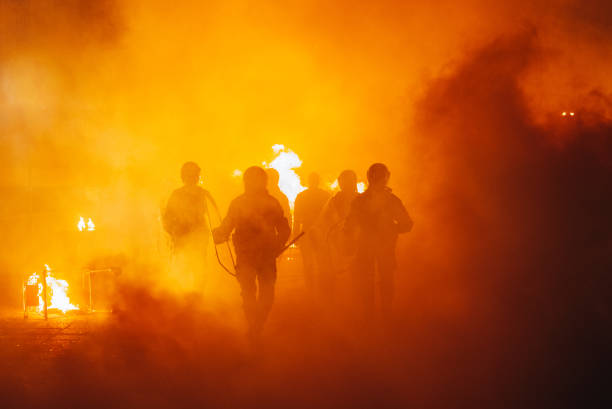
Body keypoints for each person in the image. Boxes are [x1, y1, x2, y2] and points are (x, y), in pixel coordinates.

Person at [213, 166, 290, 339]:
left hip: (267, 255)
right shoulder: (238, 203)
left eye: (258, 179)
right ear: (246, 182)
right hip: (246, 255)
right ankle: (254, 328)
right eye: (251, 179)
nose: (254, 183)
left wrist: (278, 244)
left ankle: (257, 326)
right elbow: (228, 225)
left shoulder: (272, 203)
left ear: (263, 182)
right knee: (248, 293)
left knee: (267, 295)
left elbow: (284, 228)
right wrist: (218, 234)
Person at [344, 163, 412, 320]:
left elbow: (349, 226)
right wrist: (392, 230)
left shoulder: (362, 201)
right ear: (385, 178)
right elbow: (407, 224)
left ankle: (375, 316)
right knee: (380, 281)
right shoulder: (387, 200)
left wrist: (391, 229)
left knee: (374, 281)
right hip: (376, 247)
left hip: (375, 247)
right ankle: (381, 316)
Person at [163, 162, 216, 292]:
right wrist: (174, 232)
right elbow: (167, 218)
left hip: (197, 238)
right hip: (184, 238)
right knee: (186, 269)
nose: (192, 177)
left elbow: (214, 215)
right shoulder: (179, 194)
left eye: (194, 175)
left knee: (197, 270)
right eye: (190, 175)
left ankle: (194, 298)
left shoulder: (203, 194)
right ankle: (186, 298)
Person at [320, 170, 360, 299]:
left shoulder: (362, 199)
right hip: (339, 242)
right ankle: (342, 300)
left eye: (349, 181)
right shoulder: (334, 200)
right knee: (340, 272)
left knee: (358, 272)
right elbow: (325, 219)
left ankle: (356, 297)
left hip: (359, 241)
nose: (346, 184)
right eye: (343, 182)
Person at [293, 172, 331, 298]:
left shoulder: (302, 196)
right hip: (318, 232)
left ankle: (313, 289)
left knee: (310, 262)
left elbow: (297, 218)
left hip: (310, 232)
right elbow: (297, 217)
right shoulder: (325, 195)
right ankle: (322, 289)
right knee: (320, 261)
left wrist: (295, 235)